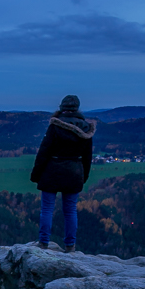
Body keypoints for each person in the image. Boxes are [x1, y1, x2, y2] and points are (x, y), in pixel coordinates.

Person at [30, 94, 95, 253]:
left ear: (62, 108)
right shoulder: (86, 129)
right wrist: (83, 176)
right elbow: (87, 157)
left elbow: (43, 152)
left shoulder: (55, 126)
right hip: (74, 172)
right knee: (70, 210)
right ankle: (70, 246)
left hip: (52, 170)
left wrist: (36, 174)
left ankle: (43, 243)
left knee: (47, 209)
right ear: (77, 109)